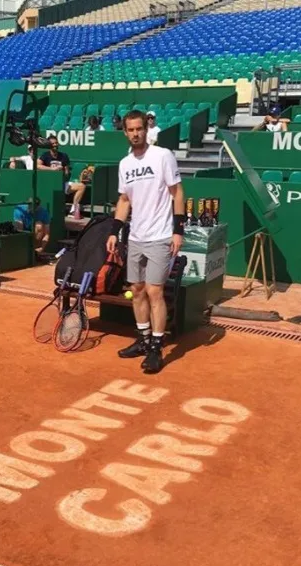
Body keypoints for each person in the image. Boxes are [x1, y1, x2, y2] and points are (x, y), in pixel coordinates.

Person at [107, 110, 185, 374]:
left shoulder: (162, 155)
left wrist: (178, 230)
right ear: (125, 132)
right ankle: (142, 339)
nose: (135, 133)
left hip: (161, 236)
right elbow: (124, 200)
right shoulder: (125, 164)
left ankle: (156, 347)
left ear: (146, 129)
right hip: (136, 237)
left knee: (154, 292)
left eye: (139, 129)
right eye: (130, 130)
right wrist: (113, 231)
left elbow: (177, 192)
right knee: (137, 290)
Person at [38, 135, 86, 219]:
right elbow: (37, 166)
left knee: (81, 186)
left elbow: (67, 173)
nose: (55, 145)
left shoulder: (64, 156)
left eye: (56, 143)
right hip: (49, 185)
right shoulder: (45, 155)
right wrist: (51, 169)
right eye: (53, 143)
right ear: (49, 145)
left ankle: (73, 211)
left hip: (62, 183)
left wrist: (63, 171)